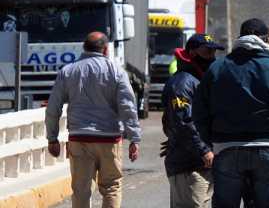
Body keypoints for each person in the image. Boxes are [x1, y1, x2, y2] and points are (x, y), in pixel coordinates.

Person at [193, 18, 269, 208]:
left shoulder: (217, 68)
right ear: (266, 40)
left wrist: (213, 141)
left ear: (240, 37)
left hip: (226, 149)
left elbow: (199, 111)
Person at [45, 32, 142, 208]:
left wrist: (52, 138)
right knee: (112, 187)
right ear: (105, 49)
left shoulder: (68, 71)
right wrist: (134, 138)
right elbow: (128, 107)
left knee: (81, 190)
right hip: (109, 138)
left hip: (79, 138)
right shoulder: (116, 71)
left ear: (84, 47)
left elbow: (53, 108)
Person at [162, 33, 225, 208]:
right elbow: (183, 122)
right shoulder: (182, 83)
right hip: (188, 166)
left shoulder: (201, 81)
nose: (211, 58)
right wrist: (204, 150)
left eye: (214, 53)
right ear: (192, 52)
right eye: (207, 53)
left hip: (202, 164)